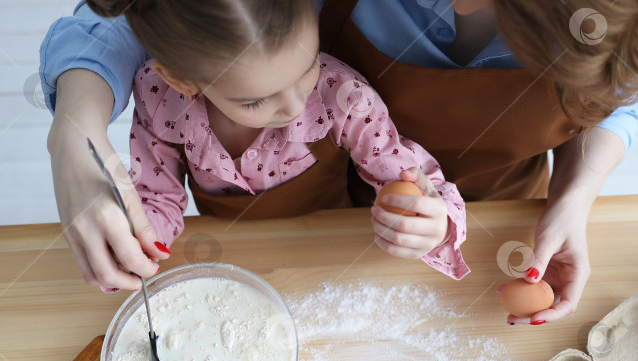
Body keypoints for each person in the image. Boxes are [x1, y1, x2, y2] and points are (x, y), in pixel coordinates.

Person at [41, 0, 638, 322]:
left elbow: (614, 99)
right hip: (323, 217)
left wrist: (574, 197)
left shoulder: (615, 20)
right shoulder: (181, 88)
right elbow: (167, 20)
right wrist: (74, 133)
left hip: (497, 221)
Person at [81, 0, 468, 285]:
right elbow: (156, 197)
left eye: (306, 67)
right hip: (227, 262)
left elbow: (408, 176)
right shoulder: (160, 97)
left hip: (331, 259)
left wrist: (434, 221)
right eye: (255, 100)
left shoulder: (343, 95)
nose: (296, 105)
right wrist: (135, 243)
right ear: (181, 81)